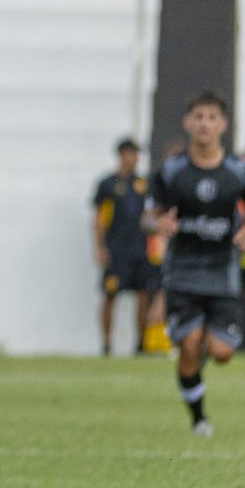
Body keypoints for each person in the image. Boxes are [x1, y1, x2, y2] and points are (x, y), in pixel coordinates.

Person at [146, 92, 245, 438]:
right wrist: (156, 224)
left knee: (221, 352)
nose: (204, 123)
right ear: (187, 123)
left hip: (222, 274)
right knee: (189, 344)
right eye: (198, 117)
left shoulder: (238, 172)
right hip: (183, 273)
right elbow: (148, 216)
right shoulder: (172, 171)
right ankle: (199, 419)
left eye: (211, 117)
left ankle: (202, 349)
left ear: (223, 125)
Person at [90, 139, 158, 356]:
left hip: (140, 249)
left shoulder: (143, 184)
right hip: (116, 249)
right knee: (110, 295)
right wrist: (100, 247)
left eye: (137, 154)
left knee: (143, 295)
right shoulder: (107, 184)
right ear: (121, 155)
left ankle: (141, 345)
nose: (135, 158)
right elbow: (99, 219)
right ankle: (107, 345)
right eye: (131, 153)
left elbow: (152, 214)